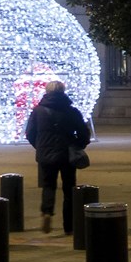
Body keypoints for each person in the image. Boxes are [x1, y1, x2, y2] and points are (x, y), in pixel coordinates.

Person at [25, 80, 91, 234]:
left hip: (45, 154)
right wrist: (78, 145)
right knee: (69, 189)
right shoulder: (71, 111)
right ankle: (69, 226)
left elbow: (30, 133)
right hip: (67, 154)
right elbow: (83, 133)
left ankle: (47, 212)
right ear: (63, 91)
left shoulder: (38, 111)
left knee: (48, 185)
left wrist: (40, 146)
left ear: (47, 92)